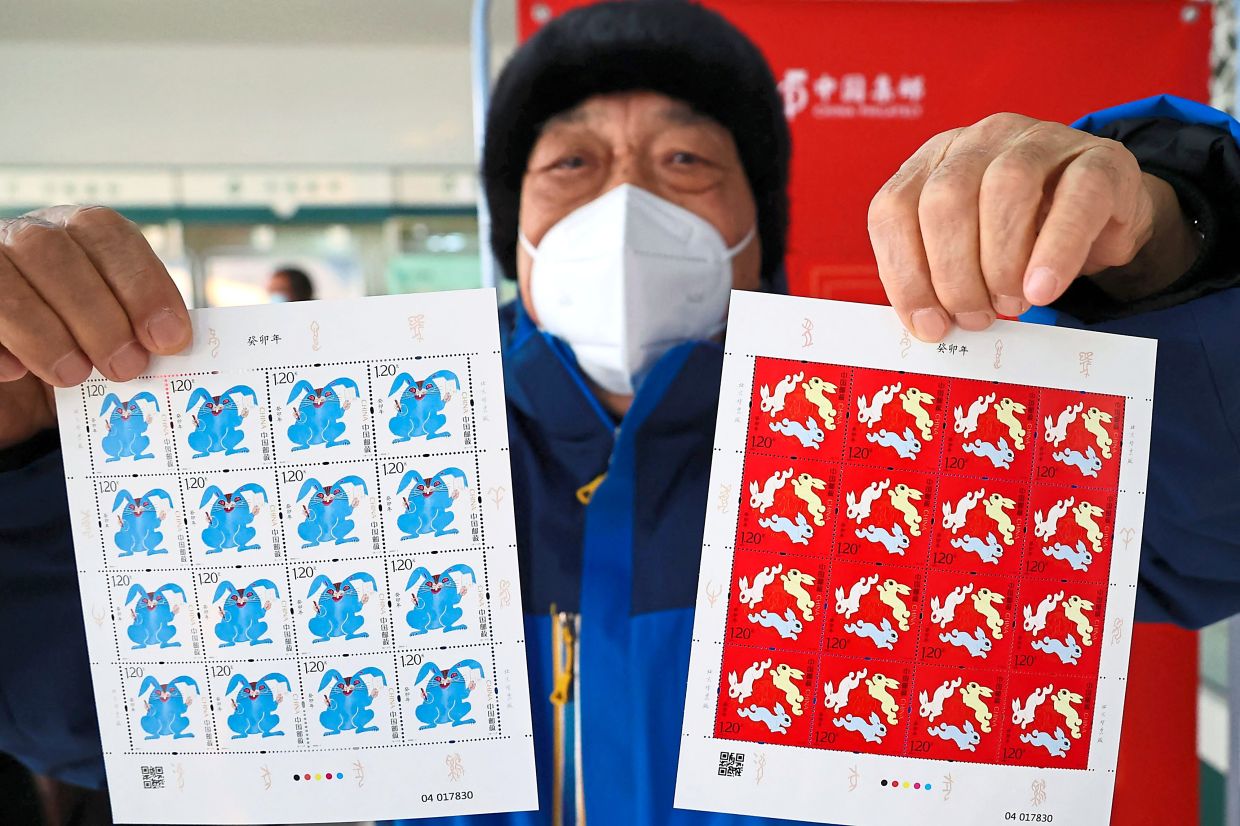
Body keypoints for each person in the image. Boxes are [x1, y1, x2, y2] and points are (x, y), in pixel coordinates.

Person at [0, 2, 1237, 824]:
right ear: (515, 239)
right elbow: (79, 707)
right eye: (570, 166)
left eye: (689, 161)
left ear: (759, 227)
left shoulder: (917, 443)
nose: (628, 201)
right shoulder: (366, 450)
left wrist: (1173, 243)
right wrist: (9, 442)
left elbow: (1205, 530)